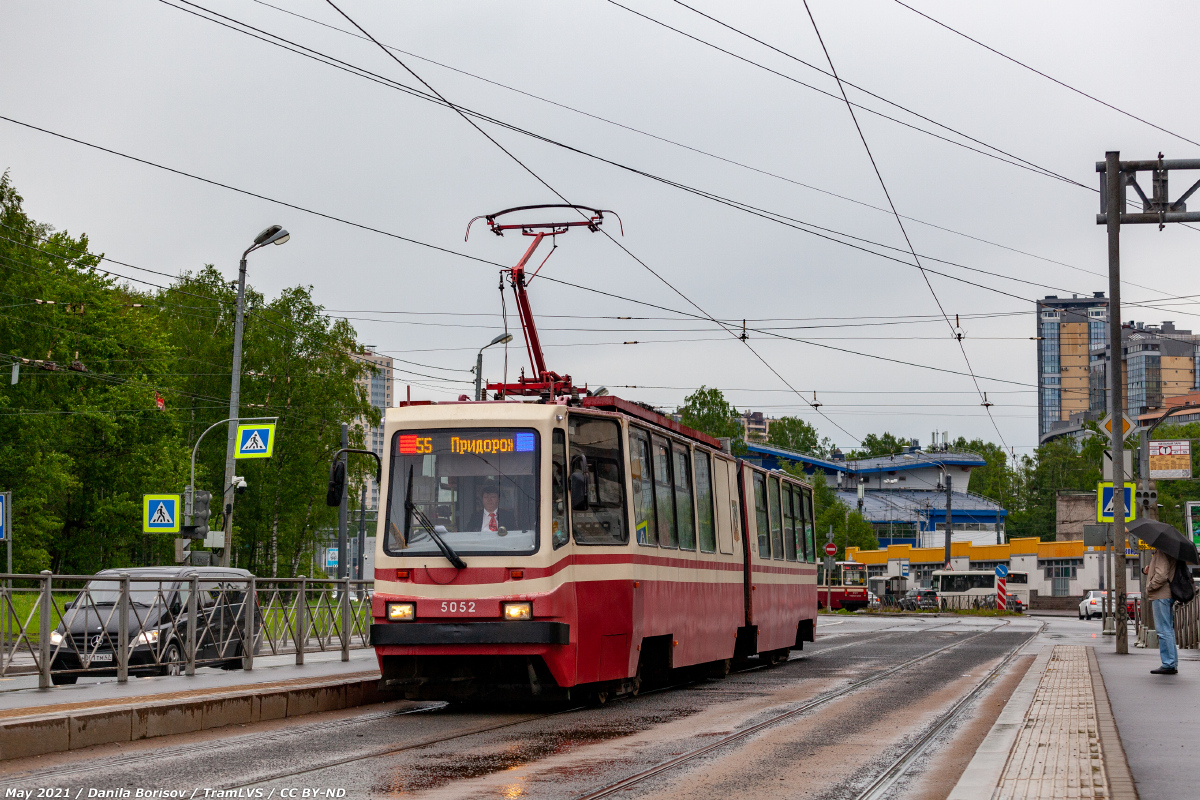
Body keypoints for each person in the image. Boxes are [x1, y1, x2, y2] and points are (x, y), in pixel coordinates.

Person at [1144, 546, 1178, 675]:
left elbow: (1162, 574)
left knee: (1163, 630)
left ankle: (1168, 663)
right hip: (1167, 594)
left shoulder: (1161, 551)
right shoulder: (1170, 550)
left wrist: (1150, 586)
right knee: (1168, 629)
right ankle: (1172, 662)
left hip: (1161, 595)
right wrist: (1148, 571)